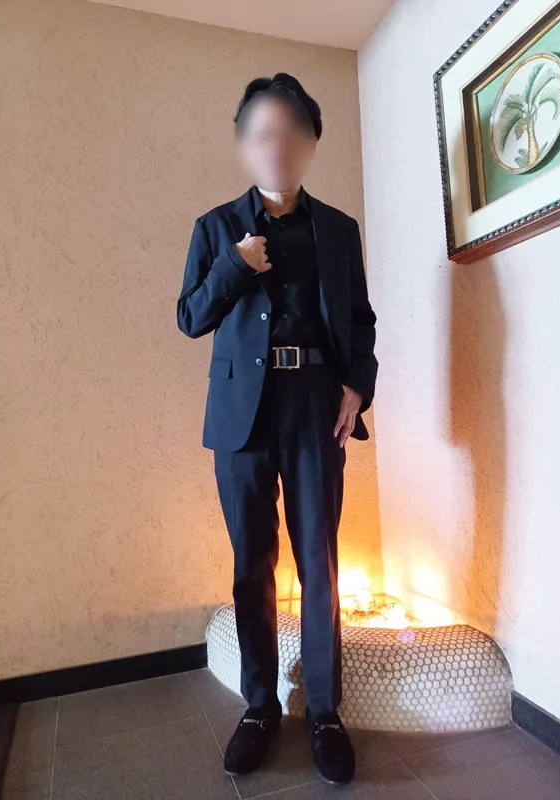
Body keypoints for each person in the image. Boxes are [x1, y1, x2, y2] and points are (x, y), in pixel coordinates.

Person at [177, 72, 378, 785]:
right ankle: (260, 708)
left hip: (317, 403)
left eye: (293, 132)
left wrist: (358, 386)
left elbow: (361, 320)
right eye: (264, 133)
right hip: (243, 414)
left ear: (311, 142)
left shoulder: (339, 230)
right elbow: (190, 316)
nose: (278, 145)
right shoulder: (215, 227)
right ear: (244, 145)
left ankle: (324, 712)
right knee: (251, 564)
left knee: (319, 561)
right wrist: (235, 266)